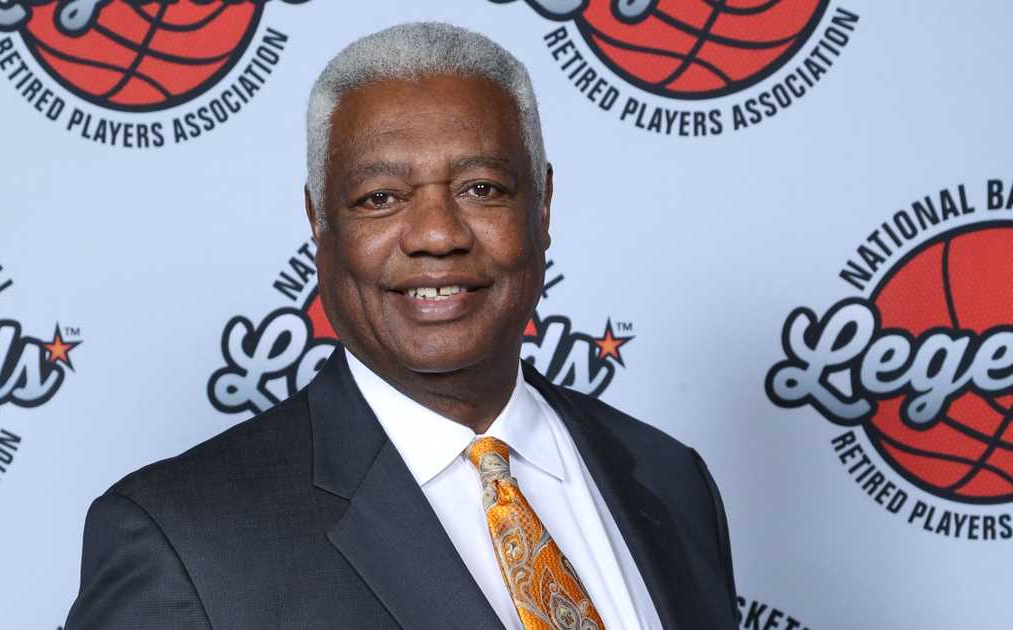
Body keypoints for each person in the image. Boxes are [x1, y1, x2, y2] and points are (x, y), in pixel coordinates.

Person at [65, 22, 737, 630]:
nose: (439, 235)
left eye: (481, 188)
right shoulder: (181, 540)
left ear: (544, 206)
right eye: (379, 198)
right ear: (319, 223)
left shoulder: (670, 479)